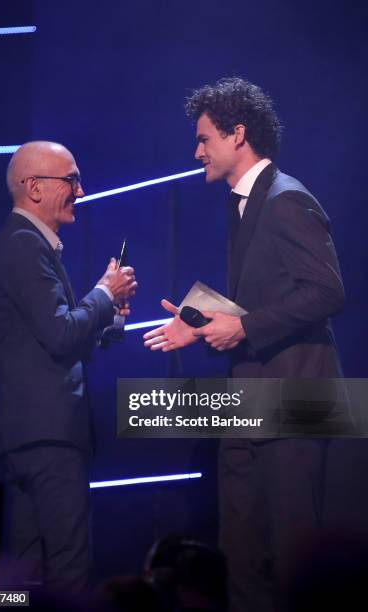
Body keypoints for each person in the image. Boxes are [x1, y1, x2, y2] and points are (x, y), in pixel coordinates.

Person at [144, 78, 349, 611]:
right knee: (242, 555)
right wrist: (201, 321)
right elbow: (267, 299)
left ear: (238, 135)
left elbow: (327, 292)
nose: (196, 152)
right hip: (250, 402)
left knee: (290, 560)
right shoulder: (244, 202)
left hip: (295, 402)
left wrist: (245, 327)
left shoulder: (287, 199)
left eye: (204, 139)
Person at [0, 141, 137, 593]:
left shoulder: (22, 245)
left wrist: (113, 313)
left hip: (29, 437)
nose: (81, 191)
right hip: (48, 437)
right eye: (71, 180)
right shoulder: (23, 247)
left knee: (24, 578)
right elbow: (61, 334)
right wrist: (104, 294)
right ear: (33, 187)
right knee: (67, 572)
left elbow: (50, 340)